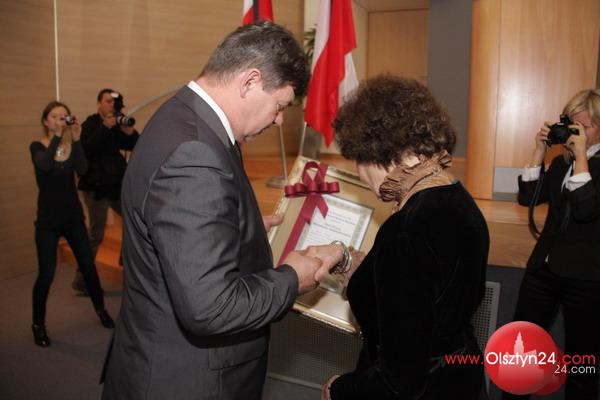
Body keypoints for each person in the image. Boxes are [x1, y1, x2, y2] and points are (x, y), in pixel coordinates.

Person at [101, 22, 342, 400]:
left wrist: (241, 227)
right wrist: (292, 279)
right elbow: (210, 308)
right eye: (280, 105)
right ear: (249, 81)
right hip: (187, 380)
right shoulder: (196, 155)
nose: (279, 119)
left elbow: (177, 228)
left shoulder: (182, 115)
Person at [321, 75, 490, 400]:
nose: (359, 173)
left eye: (360, 159)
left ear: (385, 151)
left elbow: (400, 381)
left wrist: (340, 390)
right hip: (460, 379)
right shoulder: (458, 198)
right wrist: (348, 261)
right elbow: (424, 293)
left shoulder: (407, 229)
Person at [505, 88, 600, 400]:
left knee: (582, 362)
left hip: (586, 278)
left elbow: (585, 210)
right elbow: (527, 198)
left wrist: (582, 157)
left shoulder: (584, 163)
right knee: (519, 353)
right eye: (573, 124)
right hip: (543, 270)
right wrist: (538, 151)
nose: (576, 133)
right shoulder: (561, 163)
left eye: (585, 126)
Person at [29, 101, 115, 347]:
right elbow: (45, 165)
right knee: (46, 275)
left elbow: (83, 169)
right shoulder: (38, 146)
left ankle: (101, 310)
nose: (60, 119)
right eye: (55, 116)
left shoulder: (69, 146)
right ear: (45, 121)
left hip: (73, 219)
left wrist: (76, 140)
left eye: (64, 116)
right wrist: (58, 136)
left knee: (88, 267)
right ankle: (38, 324)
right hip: (48, 222)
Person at [74, 88, 139, 292]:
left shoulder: (117, 125)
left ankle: (124, 262)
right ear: (98, 104)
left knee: (133, 222)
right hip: (96, 189)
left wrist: (129, 132)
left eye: (114, 102)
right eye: (108, 101)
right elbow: (87, 149)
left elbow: (133, 145)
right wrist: (105, 127)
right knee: (96, 235)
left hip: (115, 186)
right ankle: (82, 279)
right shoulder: (90, 124)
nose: (112, 105)